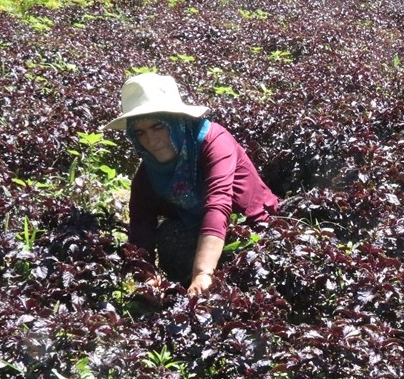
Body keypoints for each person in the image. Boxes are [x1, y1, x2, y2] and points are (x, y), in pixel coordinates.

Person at [104, 72, 279, 295]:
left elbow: (219, 203)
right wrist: (146, 276)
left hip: (253, 229)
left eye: (158, 127)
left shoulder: (214, 141)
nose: (151, 140)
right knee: (169, 234)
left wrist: (203, 273)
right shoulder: (147, 174)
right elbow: (140, 227)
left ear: (177, 121)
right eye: (140, 132)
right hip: (203, 236)